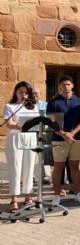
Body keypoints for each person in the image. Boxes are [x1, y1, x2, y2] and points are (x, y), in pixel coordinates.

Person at [47, 75, 80, 205]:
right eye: (63, 85)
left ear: (72, 85)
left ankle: (77, 193)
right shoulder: (53, 102)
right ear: (59, 87)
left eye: (68, 84)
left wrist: (72, 133)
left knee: (75, 166)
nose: (66, 87)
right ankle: (57, 195)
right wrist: (64, 134)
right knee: (58, 166)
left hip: (77, 139)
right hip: (58, 139)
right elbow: (51, 123)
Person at [3, 81, 40, 213]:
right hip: (15, 137)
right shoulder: (10, 106)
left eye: (26, 93)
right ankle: (13, 199)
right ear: (16, 93)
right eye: (20, 92)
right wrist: (20, 126)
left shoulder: (34, 106)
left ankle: (28, 197)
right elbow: (9, 123)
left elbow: (37, 122)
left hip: (30, 137)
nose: (23, 95)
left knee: (29, 168)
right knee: (15, 168)